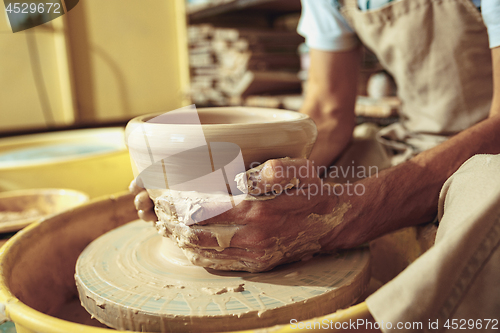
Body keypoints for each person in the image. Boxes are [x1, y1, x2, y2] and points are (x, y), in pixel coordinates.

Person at [133, 0, 500, 329]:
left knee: (489, 186)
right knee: (295, 188)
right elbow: (326, 111)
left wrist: (341, 217)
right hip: (412, 138)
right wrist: (217, 181)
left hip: (489, 144)